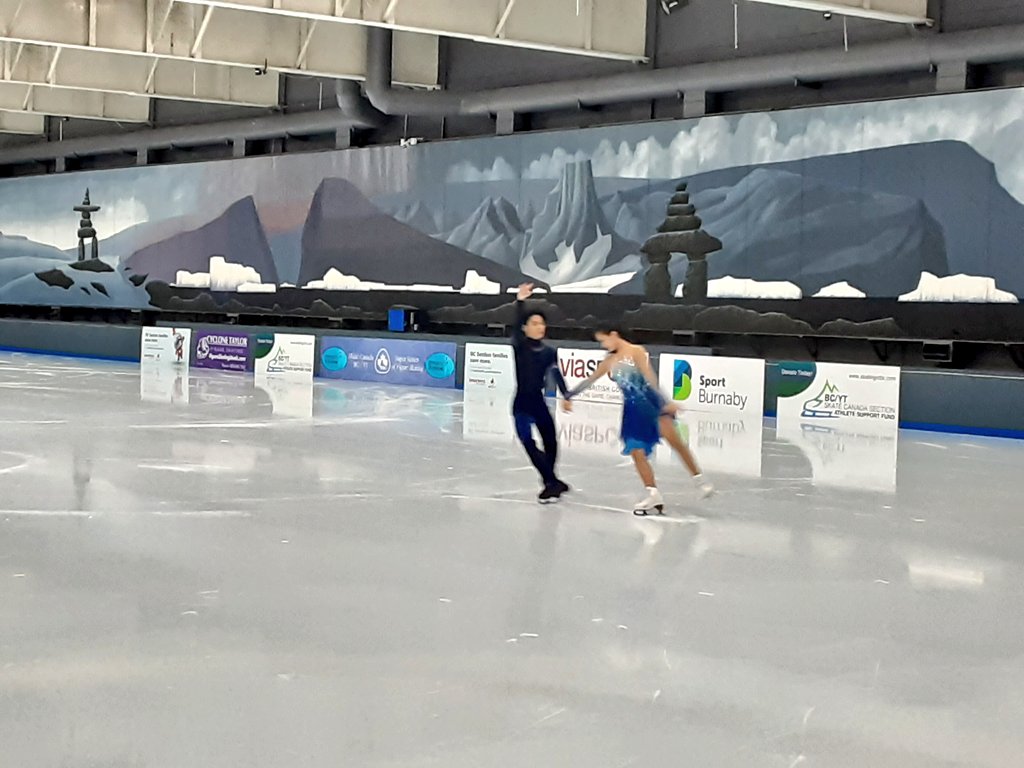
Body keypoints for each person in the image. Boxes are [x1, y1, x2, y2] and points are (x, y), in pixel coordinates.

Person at [563, 323, 713, 515]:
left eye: (603, 340)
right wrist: (569, 395)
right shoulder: (609, 361)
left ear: (614, 335)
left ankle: (700, 481)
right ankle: (653, 493)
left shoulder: (636, 351)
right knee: (636, 452)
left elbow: (650, 378)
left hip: (651, 405)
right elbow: (589, 380)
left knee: (676, 442)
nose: (603, 345)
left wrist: (665, 402)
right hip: (632, 410)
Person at [511, 283, 571, 502]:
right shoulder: (520, 346)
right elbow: (515, 326)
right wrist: (520, 301)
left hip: (538, 403)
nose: (539, 327)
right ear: (526, 328)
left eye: (542, 323)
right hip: (522, 404)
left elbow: (556, 374)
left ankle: (550, 481)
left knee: (551, 443)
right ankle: (551, 481)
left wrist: (566, 395)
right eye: (534, 323)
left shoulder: (549, 352)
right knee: (529, 442)